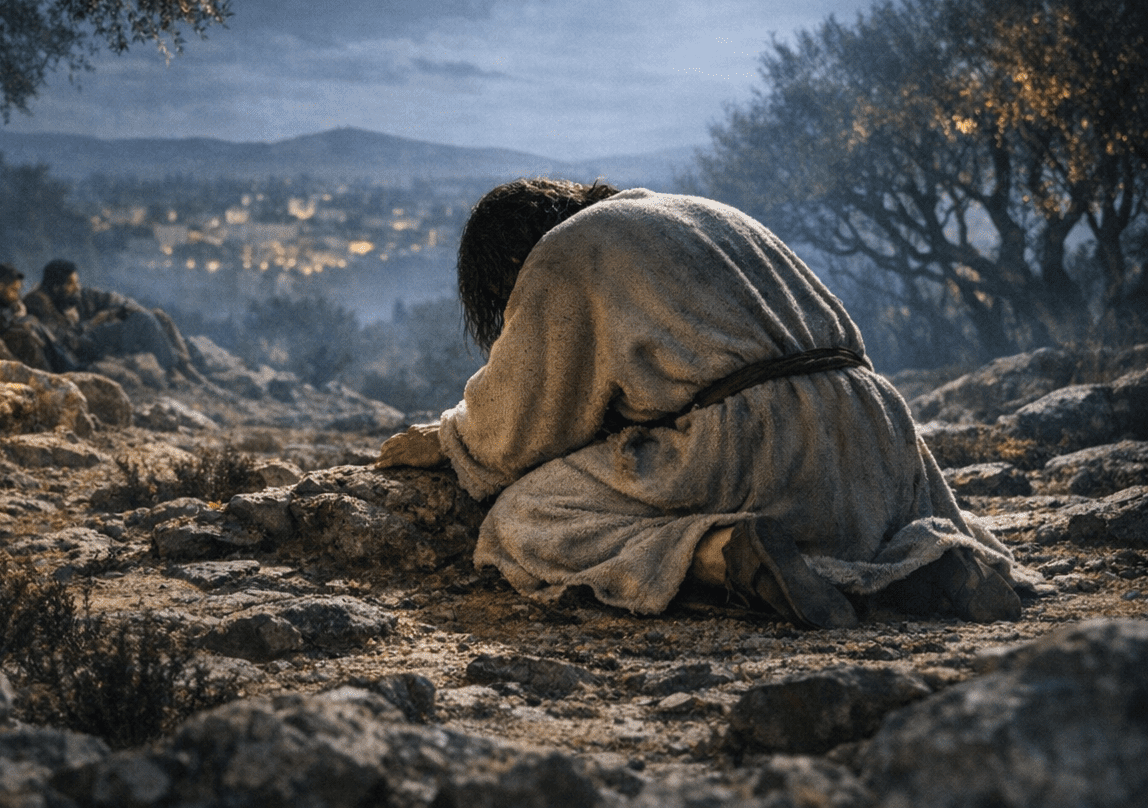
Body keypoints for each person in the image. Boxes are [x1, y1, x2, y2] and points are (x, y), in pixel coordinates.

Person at [376, 179, 1027, 629]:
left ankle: (728, 557)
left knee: (524, 519)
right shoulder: (694, 212)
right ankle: (937, 563)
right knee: (857, 531)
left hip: (760, 438)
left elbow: (520, 424)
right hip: (877, 432)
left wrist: (448, 439)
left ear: (509, 262)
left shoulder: (562, 254)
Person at [25, 259, 193, 376]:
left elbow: (115, 300)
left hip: (93, 338)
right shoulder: (39, 303)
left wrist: (124, 309)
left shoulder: (81, 296)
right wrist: (96, 322)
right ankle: (171, 368)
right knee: (143, 321)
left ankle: (182, 363)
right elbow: (64, 341)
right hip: (82, 349)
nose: (77, 287)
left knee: (156, 315)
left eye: (77, 282)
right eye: (71, 284)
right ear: (56, 287)